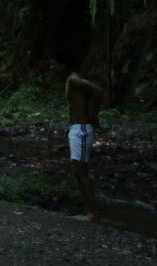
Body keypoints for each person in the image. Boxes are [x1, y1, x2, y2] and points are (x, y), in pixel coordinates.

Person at [51, 50, 104, 221]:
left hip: (81, 128)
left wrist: (93, 115)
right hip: (78, 128)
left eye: (54, 64)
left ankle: (92, 213)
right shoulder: (71, 80)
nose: (52, 67)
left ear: (63, 65)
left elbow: (97, 91)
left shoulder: (74, 79)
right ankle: (87, 210)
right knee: (79, 171)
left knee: (81, 172)